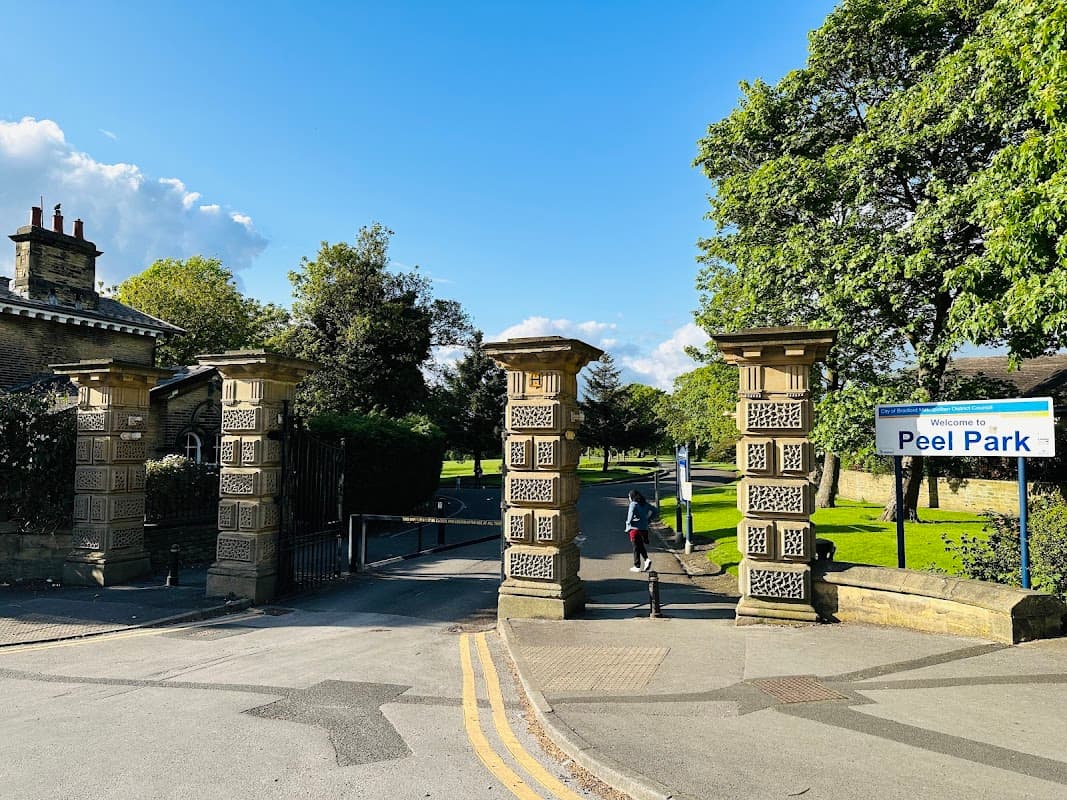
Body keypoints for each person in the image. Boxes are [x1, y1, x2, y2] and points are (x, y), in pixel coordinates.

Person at [625, 489, 653, 572]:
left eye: (629, 497)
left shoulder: (633, 504)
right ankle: (646, 560)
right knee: (640, 545)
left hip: (635, 529)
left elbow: (630, 516)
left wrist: (628, 524)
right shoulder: (645, 504)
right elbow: (655, 511)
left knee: (636, 547)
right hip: (644, 529)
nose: (629, 498)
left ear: (632, 497)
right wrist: (649, 519)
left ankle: (637, 566)